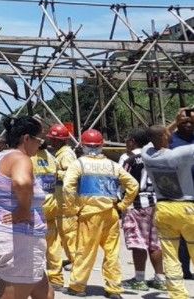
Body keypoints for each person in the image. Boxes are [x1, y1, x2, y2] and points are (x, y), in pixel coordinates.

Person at [0, 116, 52, 299]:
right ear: (26, 139)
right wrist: (23, 209)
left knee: (45, 293)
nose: (40, 145)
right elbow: (22, 183)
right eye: (39, 140)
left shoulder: (1, 158)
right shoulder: (21, 159)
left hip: (9, 239)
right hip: (19, 242)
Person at [62, 128, 138, 298]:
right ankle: (114, 288)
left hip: (89, 214)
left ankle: (77, 286)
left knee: (85, 251)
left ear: (82, 145)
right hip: (111, 213)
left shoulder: (79, 164)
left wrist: (72, 208)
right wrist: (123, 205)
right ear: (101, 145)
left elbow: (68, 188)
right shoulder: (113, 165)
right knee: (112, 252)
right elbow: (133, 185)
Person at [141, 111, 194, 299]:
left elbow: (152, 138)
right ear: (165, 136)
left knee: (170, 255)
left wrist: (174, 123)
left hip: (163, 208)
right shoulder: (181, 153)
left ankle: (178, 294)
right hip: (187, 206)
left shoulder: (147, 155)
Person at [118, 128, 166, 291]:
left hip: (136, 204)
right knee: (155, 242)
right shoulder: (156, 158)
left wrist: (120, 203)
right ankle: (160, 278)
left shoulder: (131, 160)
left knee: (138, 241)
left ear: (132, 141)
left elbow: (122, 181)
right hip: (156, 203)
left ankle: (139, 279)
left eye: (127, 140)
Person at [31, 135, 64, 289]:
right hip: (51, 203)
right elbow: (58, 176)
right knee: (53, 243)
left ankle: (35, 278)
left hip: (35, 206)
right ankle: (56, 278)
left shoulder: (28, 159)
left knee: (33, 243)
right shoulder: (51, 158)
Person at [47, 123, 78, 266]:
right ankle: (71, 258)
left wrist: (54, 173)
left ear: (59, 140)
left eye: (52, 139)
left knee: (68, 232)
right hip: (61, 198)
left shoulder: (65, 155)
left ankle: (76, 261)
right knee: (63, 231)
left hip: (66, 199)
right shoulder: (60, 154)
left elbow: (72, 175)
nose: (50, 142)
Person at [168, 108, 194, 280]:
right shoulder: (172, 139)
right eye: (184, 122)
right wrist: (176, 121)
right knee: (183, 237)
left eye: (191, 122)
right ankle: (184, 269)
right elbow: (158, 135)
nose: (188, 124)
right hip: (181, 194)